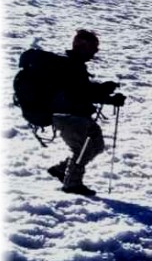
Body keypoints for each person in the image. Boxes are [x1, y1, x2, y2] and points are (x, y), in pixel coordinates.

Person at [47, 29, 126, 197]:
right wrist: (106, 94)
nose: (96, 51)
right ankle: (72, 184)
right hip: (70, 115)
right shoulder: (70, 66)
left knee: (95, 145)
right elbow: (79, 93)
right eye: (93, 47)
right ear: (81, 46)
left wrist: (104, 92)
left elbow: (81, 90)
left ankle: (61, 170)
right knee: (82, 148)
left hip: (69, 114)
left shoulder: (73, 65)